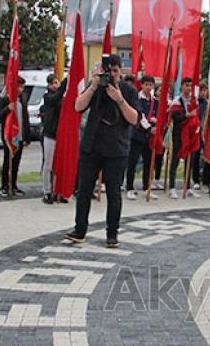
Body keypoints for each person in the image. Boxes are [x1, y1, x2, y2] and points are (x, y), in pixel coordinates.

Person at [63, 54, 139, 248]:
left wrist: (119, 100)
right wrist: (93, 85)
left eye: (114, 71)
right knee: (84, 191)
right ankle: (80, 230)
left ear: (120, 71)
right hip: (91, 146)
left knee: (113, 193)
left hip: (116, 149)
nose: (111, 75)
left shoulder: (128, 91)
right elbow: (78, 106)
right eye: (107, 71)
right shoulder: (95, 86)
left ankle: (112, 233)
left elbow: (134, 119)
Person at [167, 77, 201, 199]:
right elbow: (175, 117)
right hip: (179, 134)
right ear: (181, 87)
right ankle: (172, 188)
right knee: (175, 160)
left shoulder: (194, 101)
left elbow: (197, 116)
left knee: (190, 161)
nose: (189, 88)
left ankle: (188, 187)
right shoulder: (177, 101)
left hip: (191, 134)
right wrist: (187, 115)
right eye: (186, 85)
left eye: (190, 86)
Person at [126, 75, 158, 200]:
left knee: (148, 163)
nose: (148, 87)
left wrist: (156, 125)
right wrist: (149, 127)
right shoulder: (137, 99)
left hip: (150, 137)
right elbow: (139, 116)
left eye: (151, 85)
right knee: (132, 162)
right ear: (141, 85)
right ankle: (129, 187)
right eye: (146, 84)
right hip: (137, 134)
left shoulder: (155, 101)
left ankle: (146, 187)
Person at [0, 76, 31, 197]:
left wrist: (27, 136)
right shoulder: (5, 99)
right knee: (8, 161)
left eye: (22, 87)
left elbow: (25, 117)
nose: (20, 89)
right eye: (18, 86)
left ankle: (14, 184)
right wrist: (8, 108)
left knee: (16, 162)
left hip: (20, 135)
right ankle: (5, 185)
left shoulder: (23, 98)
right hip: (9, 135)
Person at [41, 74, 67, 204]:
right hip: (50, 135)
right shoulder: (48, 97)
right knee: (49, 165)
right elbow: (55, 98)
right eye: (53, 83)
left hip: (61, 135)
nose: (55, 86)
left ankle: (59, 191)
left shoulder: (62, 98)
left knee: (60, 165)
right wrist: (65, 82)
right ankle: (47, 191)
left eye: (57, 83)